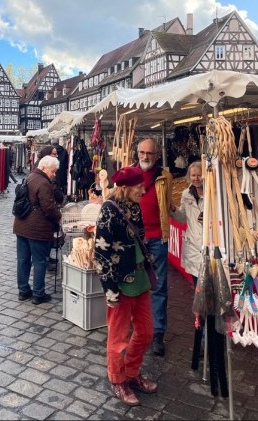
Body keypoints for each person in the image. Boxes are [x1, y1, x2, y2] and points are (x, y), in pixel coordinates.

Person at [94, 166, 157, 407]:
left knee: (146, 332)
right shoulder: (109, 211)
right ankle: (118, 379)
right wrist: (110, 289)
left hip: (140, 279)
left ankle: (131, 372)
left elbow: (140, 238)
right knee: (118, 337)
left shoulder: (135, 206)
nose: (143, 189)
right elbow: (101, 252)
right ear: (124, 188)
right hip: (120, 282)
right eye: (139, 186)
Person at [135, 138, 174, 357]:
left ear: (157, 155)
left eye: (149, 153)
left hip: (157, 237)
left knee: (159, 287)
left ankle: (158, 333)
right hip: (135, 239)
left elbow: (169, 204)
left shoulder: (165, 177)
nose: (145, 156)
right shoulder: (129, 173)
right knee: (134, 284)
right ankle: (139, 328)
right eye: (142, 152)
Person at [13, 155, 62, 305]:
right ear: (44, 167)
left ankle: (23, 291)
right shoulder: (44, 182)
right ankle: (38, 293)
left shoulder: (30, 176)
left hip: (21, 225)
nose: (54, 174)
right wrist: (59, 216)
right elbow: (48, 208)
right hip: (36, 228)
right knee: (40, 261)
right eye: (53, 171)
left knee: (23, 260)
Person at [173, 161, 204, 285]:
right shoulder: (186, 194)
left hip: (209, 243)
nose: (196, 178)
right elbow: (183, 219)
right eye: (193, 175)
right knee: (197, 286)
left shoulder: (213, 193)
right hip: (192, 246)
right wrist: (173, 210)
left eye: (199, 175)